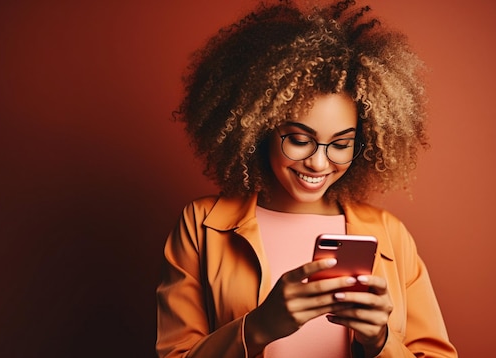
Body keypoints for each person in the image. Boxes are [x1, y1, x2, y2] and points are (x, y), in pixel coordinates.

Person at [156, 0, 457, 357]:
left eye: (341, 144)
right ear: (260, 129)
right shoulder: (202, 226)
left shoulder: (390, 236)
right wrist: (258, 328)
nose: (318, 162)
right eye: (299, 140)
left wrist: (380, 341)